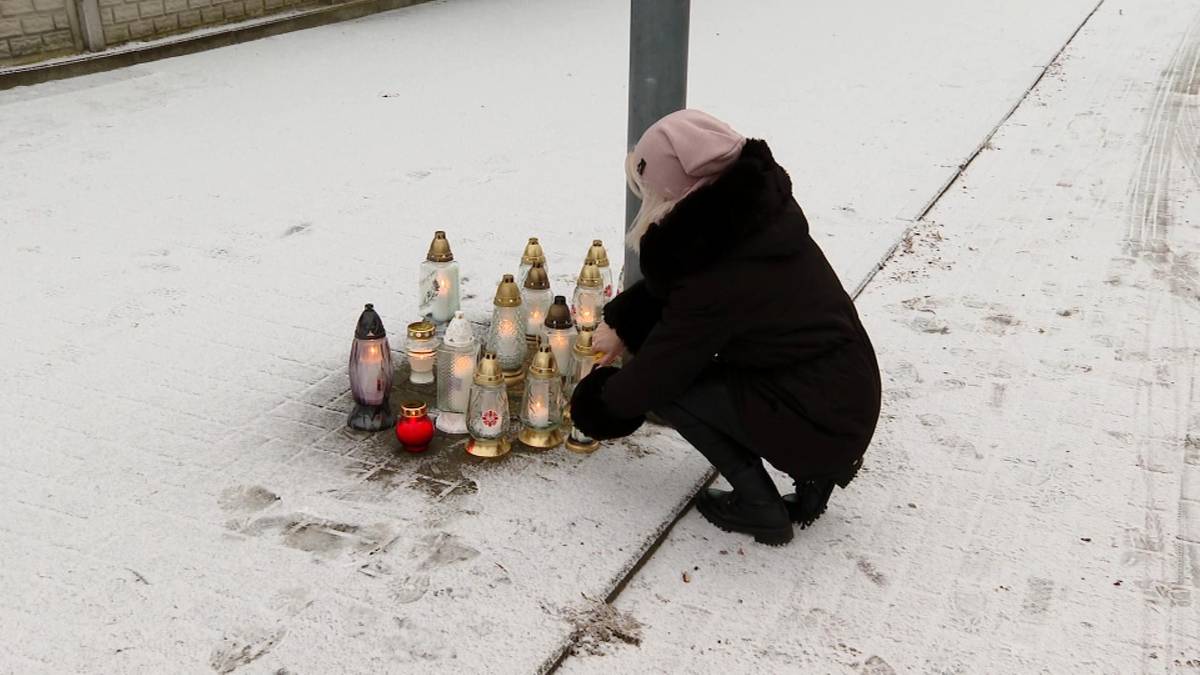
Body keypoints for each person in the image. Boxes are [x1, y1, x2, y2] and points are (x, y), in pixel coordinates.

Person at [570, 109, 881, 546]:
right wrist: (626, 321)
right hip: (845, 397)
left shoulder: (718, 274)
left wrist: (599, 399)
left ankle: (760, 506)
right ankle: (817, 480)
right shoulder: (751, 222)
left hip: (823, 420)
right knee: (682, 368)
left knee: (670, 386)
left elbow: (661, 368)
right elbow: (687, 289)